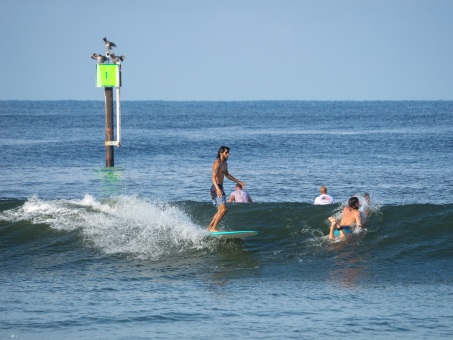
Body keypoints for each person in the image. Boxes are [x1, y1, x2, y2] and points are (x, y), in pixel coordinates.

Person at [207, 146, 246, 232]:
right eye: (226, 153)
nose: (228, 155)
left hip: (219, 188)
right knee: (224, 210)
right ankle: (213, 228)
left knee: (220, 211)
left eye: (228, 153)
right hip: (216, 188)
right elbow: (213, 178)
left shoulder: (225, 164)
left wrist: (238, 181)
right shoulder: (217, 163)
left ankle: (210, 227)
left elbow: (227, 175)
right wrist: (218, 189)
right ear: (221, 153)